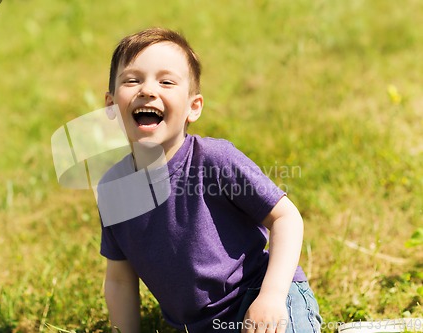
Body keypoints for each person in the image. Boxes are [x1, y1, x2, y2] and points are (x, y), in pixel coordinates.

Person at [98, 27, 322, 333]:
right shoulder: (114, 191)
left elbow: (286, 218)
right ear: (111, 106)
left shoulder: (215, 160)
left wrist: (272, 295)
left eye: (166, 81)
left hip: (259, 294)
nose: (148, 90)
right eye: (133, 80)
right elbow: (120, 279)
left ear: (194, 107)